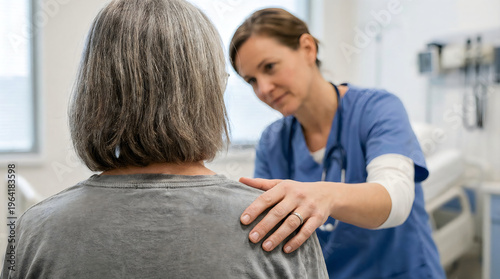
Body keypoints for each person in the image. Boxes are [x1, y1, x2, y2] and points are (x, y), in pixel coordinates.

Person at [1, 1, 328, 278]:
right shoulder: (281, 229)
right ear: (209, 90)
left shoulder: (34, 232)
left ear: (95, 91)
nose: (264, 90)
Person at [229, 8, 446, 279]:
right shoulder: (273, 141)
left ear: (307, 48)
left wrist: (326, 196)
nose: (263, 89)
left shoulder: (377, 108)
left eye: (269, 67)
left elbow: (397, 198)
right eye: (251, 80)